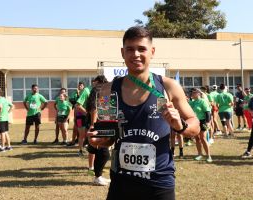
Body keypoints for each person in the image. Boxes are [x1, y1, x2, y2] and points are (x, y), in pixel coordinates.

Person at [87, 26, 199, 200]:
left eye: (141, 49)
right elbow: (108, 134)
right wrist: (99, 139)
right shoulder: (107, 91)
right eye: (130, 49)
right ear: (122, 52)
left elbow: (195, 125)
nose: (136, 54)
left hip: (159, 183)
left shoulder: (168, 87)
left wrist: (180, 125)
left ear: (152, 52)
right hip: (121, 183)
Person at [85, 75, 111, 185]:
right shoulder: (100, 90)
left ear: (97, 81)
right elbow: (94, 108)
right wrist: (93, 124)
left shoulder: (98, 89)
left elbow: (98, 107)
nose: (92, 83)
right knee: (104, 152)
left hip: (98, 122)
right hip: (98, 123)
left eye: (93, 81)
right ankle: (97, 177)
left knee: (96, 150)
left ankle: (97, 176)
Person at [189, 88, 212, 163]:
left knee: (203, 138)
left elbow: (208, 112)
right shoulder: (192, 102)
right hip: (195, 122)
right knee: (197, 138)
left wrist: (208, 122)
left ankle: (208, 156)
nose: (192, 94)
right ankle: (200, 154)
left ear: (198, 93)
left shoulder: (203, 101)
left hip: (203, 121)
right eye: (191, 93)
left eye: (193, 93)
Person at [0, 87, 14, 152]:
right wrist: (8, 112)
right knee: (6, 132)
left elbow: (0, 107)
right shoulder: (4, 99)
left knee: (2, 133)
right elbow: (12, 106)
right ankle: (9, 146)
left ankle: (2, 148)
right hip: (5, 118)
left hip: (0, 119)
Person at [75, 82, 91, 155]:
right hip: (80, 116)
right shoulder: (84, 92)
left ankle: (86, 147)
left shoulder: (88, 91)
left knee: (88, 133)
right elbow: (77, 106)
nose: (80, 87)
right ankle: (80, 151)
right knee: (81, 134)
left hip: (87, 116)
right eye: (79, 85)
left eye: (81, 85)